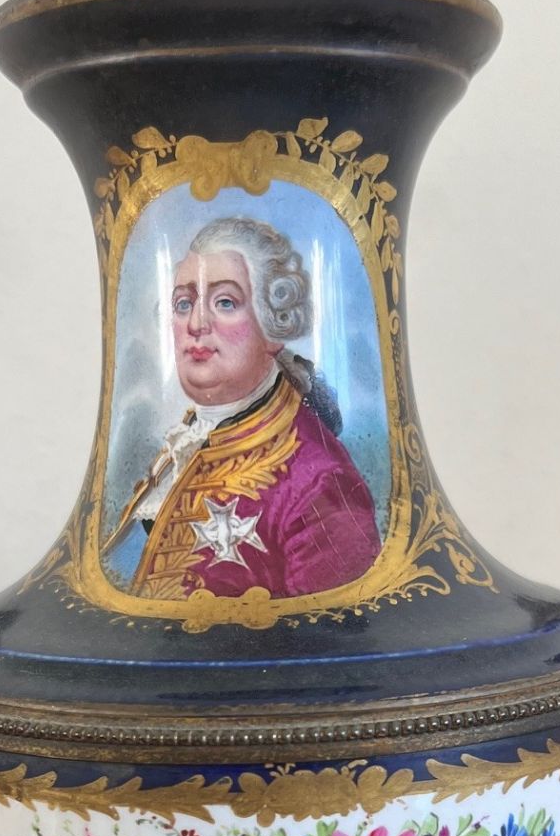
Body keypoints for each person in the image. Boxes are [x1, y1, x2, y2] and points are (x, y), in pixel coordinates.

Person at [108, 216, 381, 601]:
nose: (196, 323)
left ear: (274, 326)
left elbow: (329, 642)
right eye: (183, 303)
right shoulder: (191, 437)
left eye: (225, 302)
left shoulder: (321, 483)